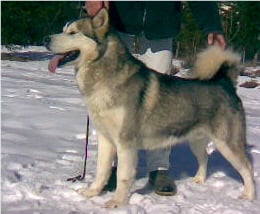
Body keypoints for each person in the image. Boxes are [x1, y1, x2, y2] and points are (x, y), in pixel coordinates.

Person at [85, 1, 227, 196]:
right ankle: (112, 168)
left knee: (161, 100)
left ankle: (159, 168)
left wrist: (212, 25)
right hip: (119, 18)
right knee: (114, 100)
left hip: (161, 21)